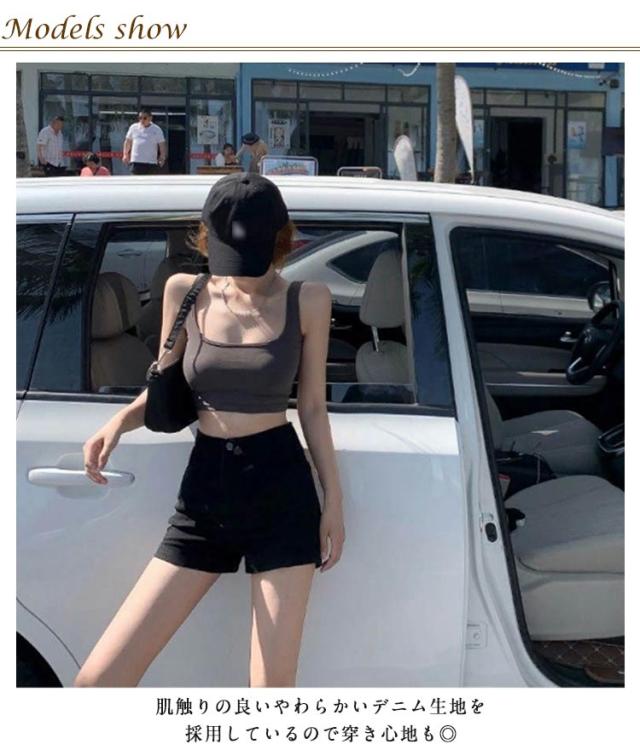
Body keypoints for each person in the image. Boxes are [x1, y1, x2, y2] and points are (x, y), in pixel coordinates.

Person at [75, 172, 345, 688]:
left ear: (279, 240)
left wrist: (333, 500)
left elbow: (312, 406)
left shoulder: (309, 299)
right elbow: (165, 388)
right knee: (99, 682)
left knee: (271, 694)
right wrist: (118, 422)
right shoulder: (185, 291)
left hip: (281, 490)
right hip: (205, 490)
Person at [122, 107, 167, 175]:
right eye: (140, 118)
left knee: (149, 181)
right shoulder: (133, 127)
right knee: (136, 180)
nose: (142, 120)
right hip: (136, 161)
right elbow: (128, 141)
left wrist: (162, 157)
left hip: (151, 162)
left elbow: (162, 144)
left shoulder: (157, 129)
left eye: (144, 118)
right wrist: (125, 154)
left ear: (150, 118)